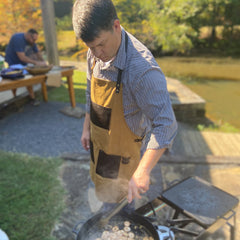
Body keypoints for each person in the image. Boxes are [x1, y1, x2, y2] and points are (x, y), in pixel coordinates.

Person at [72, 0, 178, 207]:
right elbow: (89, 91)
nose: (96, 53)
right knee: (102, 192)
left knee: (121, 209)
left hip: (123, 156)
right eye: (90, 47)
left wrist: (143, 171)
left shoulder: (143, 71)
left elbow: (166, 123)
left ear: (116, 26)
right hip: (99, 144)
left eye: (101, 44)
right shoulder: (94, 52)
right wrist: (86, 128)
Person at [5, 29, 47, 106]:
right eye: (33, 39)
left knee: (29, 79)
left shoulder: (31, 41)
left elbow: (37, 53)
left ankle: (32, 98)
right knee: (15, 80)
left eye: (35, 39)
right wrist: (37, 62)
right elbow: (22, 57)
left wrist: (44, 63)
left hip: (23, 63)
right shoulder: (17, 38)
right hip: (13, 62)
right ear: (27, 35)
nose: (34, 41)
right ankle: (14, 98)